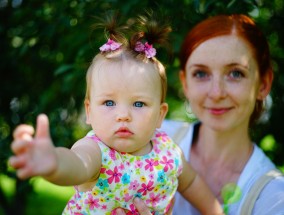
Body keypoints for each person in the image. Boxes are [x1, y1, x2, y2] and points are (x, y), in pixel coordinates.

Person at [9, 14, 223, 215]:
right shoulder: (96, 151)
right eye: (109, 102)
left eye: (138, 103)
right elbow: (77, 165)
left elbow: (192, 183)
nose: (123, 115)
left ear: (160, 114)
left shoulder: (168, 152)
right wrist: (54, 162)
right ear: (89, 111)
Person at [117, 14, 284, 215]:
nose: (216, 93)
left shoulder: (274, 197)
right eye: (201, 74)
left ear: (263, 84)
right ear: (185, 82)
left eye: (236, 73)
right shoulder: (149, 138)